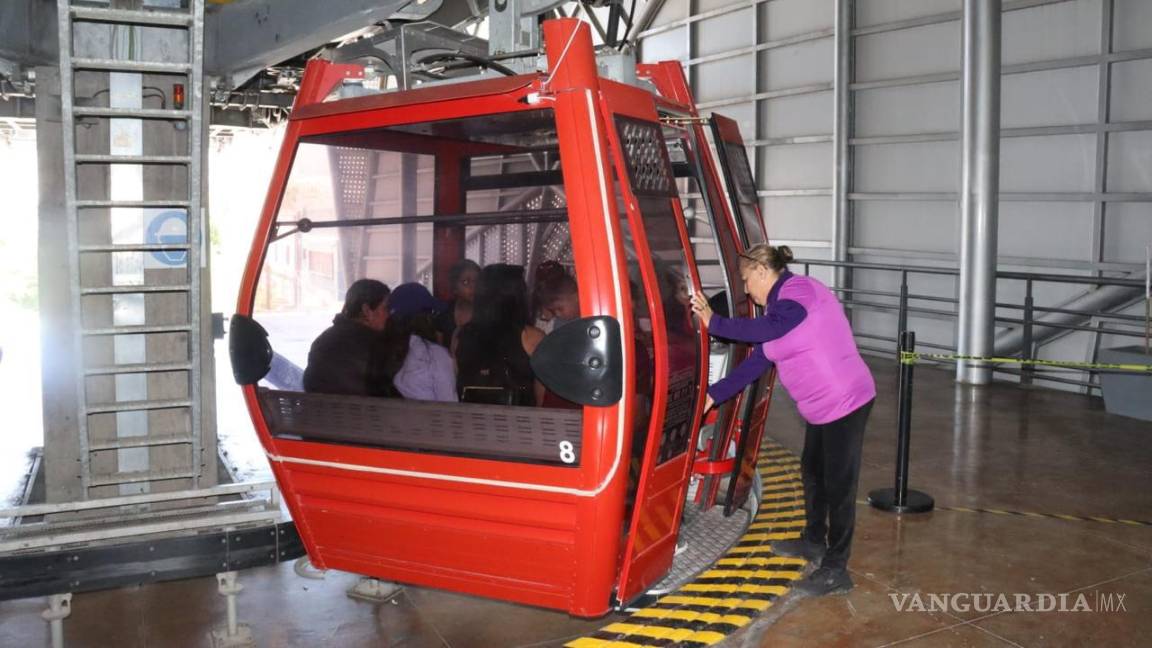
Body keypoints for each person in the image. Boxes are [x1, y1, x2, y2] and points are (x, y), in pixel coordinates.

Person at [690, 244, 875, 597]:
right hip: (821, 408)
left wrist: (716, 322)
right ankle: (813, 541)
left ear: (762, 271)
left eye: (746, 280)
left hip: (846, 401)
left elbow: (773, 327)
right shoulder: (775, 310)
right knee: (812, 474)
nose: (745, 289)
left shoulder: (799, 292)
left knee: (839, 485)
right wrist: (714, 394)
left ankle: (836, 568)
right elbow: (759, 360)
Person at [455, 264, 545, 406]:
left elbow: (458, 380)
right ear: (516, 296)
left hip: (473, 420)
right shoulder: (531, 337)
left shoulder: (461, 335)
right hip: (519, 422)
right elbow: (541, 395)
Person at [303, 279, 391, 396]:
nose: (389, 315)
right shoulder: (378, 346)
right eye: (385, 308)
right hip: (364, 413)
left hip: (317, 412)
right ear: (367, 311)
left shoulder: (323, 340)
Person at [382, 282, 457, 402]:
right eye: (433, 313)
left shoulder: (379, 351)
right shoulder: (434, 356)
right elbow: (451, 409)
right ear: (425, 317)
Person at [435, 259, 480, 345]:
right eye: (466, 282)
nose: (473, 286)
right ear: (454, 287)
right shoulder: (444, 315)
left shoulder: (489, 315)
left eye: (477, 281)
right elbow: (439, 352)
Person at [531, 260, 580, 334]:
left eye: (560, 309)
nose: (557, 314)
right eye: (553, 311)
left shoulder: (592, 313)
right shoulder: (556, 324)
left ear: (576, 297)